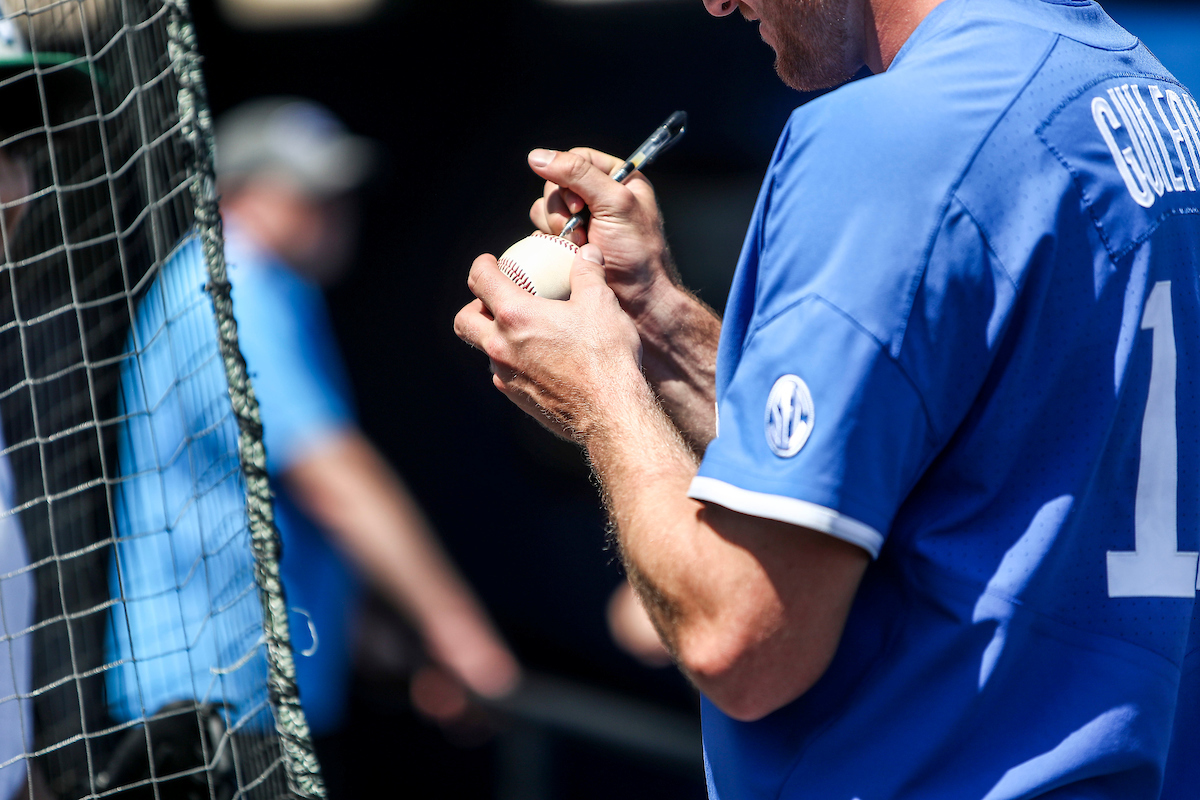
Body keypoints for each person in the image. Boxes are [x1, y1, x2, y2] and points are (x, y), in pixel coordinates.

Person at [455, 0, 1200, 797]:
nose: (717, 2)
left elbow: (740, 638)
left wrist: (601, 393)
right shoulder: (1151, 98)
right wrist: (659, 319)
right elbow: (891, 454)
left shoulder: (892, 135)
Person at [107, 97, 518, 791]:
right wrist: (462, 638)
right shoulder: (233, 285)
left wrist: (378, 634)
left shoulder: (276, 290)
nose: (336, 210)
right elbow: (333, 481)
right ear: (237, 195)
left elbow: (269, 505)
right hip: (202, 716)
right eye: (310, 191)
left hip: (250, 707)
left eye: (340, 192)